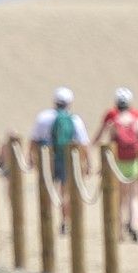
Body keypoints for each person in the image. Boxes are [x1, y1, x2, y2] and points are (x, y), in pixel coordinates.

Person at [29, 87, 90, 233]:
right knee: (65, 192)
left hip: (46, 158)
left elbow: (33, 140)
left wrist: (30, 157)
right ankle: (64, 221)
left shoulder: (43, 117)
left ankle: (47, 220)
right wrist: (88, 162)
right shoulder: (74, 120)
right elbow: (84, 144)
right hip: (66, 159)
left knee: (48, 189)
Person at [93, 87, 138, 241]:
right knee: (134, 197)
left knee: (120, 198)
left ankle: (119, 232)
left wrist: (102, 166)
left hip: (117, 164)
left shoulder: (114, 122)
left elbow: (110, 147)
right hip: (134, 163)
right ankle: (135, 225)